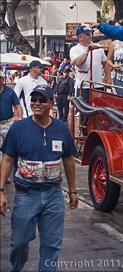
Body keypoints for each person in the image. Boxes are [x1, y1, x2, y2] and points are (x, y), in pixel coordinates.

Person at [0, 84, 78, 271]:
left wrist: (73, 191)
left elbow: (68, 159)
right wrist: (1, 190)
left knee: (52, 245)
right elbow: (7, 159)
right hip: (26, 196)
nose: (36, 103)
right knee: (18, 243)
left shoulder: (61, 129)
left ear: (52, 103)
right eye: (33, 99)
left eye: (42, 100)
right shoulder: (19, 128)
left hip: (53, 196)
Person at [69, 25, 112, 99]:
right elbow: (78, 63)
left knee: (99, 108)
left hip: (98, 85)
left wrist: (108, 78)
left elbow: (105, 63)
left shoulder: (98, 47)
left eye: (90, 34)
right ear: (80, 37)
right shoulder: (74, 49)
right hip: (83, 86)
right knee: (84, 108)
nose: (90, 36)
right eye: (87, 35)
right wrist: (87, 50)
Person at [106, 19, 123, 97]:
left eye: (118, 27)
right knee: (122, 100)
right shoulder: (114, 44)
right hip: (119, 78)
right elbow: (108, 60)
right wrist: (113, 65)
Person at [0, 71, 23, 162]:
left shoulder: (9, 92)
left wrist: (19, 119)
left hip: (7, 123)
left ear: (2, 79)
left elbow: (17, 106)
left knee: (10, 146)